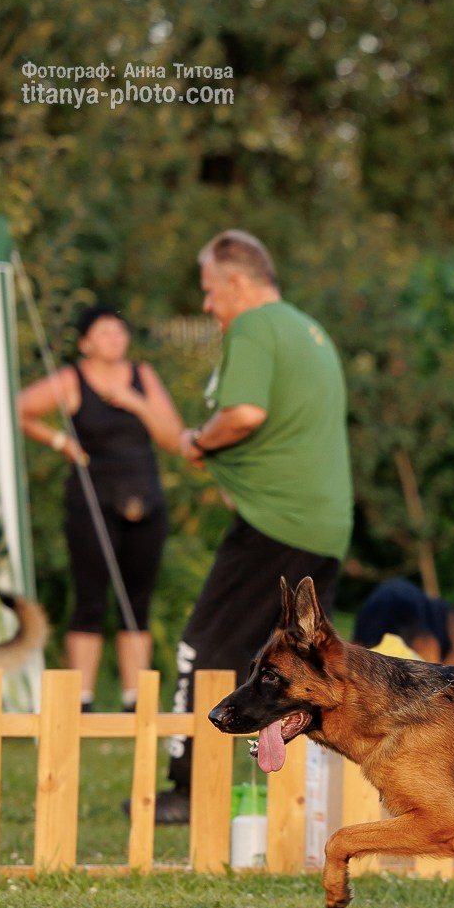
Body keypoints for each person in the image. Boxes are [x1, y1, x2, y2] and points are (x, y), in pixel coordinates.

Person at [158, 230, 352, 822]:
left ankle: (189, 789)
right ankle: (285, 795)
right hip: (326, 523)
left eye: (210, 291)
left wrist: (199, 440)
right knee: (301, 667)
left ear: (238, 282)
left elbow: (244, 413)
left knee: (204, 646)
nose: (208, 305)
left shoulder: (253, 326)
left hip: (276, 520)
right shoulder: (308, 329)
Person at [17, 305, 183, 711]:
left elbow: (173, 436)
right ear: (85, 343)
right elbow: (19, 409)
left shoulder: (142, 376)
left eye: (119, 330)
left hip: (144, 498)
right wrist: (61, 442)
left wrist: (136, 403)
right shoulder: (73, 379)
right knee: (90, 598)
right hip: (92, 500)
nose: (115, 338)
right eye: (105, 332)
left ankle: (135, 700)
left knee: (136, 601)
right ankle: (82, 699)